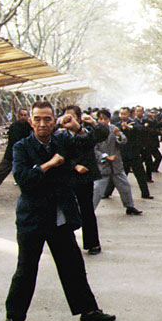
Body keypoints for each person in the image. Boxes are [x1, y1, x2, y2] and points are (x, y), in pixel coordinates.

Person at [3, 101, 116, 321]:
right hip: (32, 218)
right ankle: (13, 316)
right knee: (26, 269)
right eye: (37, 119)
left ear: (54, 121)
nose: (42, 123)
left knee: (73, 265)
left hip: (59, 217)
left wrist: (79, 127)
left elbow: (94, 138)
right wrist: (49, 164)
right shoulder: (21, 147)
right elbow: (23, 179)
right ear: (30, 121)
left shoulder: (61, 141)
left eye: (47, 119)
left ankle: (88, 310)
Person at [61, 105, 106, 255]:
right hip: (66, 174)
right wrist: (74, 166)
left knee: (87, 209)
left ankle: (92, 244)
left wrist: (92, 123)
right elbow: (57, 154)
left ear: (79, 118)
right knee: (66, 210)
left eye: (72, 117)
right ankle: (67, 243)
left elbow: (101, 134)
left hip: (84, 177)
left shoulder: (86, 131)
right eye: (66, 116)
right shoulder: (59, 134)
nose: (68, 120)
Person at [93, 109, 142, 215]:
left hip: (116, 166)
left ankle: (130, 206)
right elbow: (94, 149)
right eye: (100, 119)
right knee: (97, 190)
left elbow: (124, 140)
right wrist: (104, 157)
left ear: (109, 119)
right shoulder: (94, 132)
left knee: (125, 187)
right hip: (103, 166)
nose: (102, 121)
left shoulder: (113, 129)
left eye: (105, 119)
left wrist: (118, 134)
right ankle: (89, 211)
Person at [0, 108, 32, 199]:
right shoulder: (14, 126)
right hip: (11, 154)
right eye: (21, 115)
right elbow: (15, 141)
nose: (23, 117)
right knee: (0, 173)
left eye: (25, 115)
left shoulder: (29, 126)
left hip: (24, 155)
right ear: (18, 115)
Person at [105, 107, 153, 199]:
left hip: (134, 153)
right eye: (121, 114)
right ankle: (107, 193)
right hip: (122, 154)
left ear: (129, 114)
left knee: (140, 175)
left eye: (125, 114)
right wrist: (121, 129)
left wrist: (130, 128)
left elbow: (141, 129)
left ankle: (145, 194)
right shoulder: (116, 125)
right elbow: (112, 133)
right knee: (117, 175)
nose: (123, 116)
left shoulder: (134, 123)